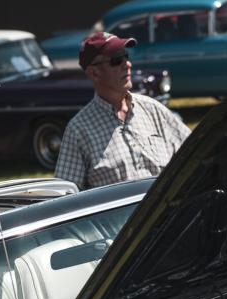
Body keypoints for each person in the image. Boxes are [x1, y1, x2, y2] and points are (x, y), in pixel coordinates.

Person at [54, 32, 191, 190]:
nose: (127, 64)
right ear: (94, 73)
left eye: (126, 57)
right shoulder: (78, 130)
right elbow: (66, 196)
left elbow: (196, 152)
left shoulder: (153, 110)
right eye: (116, 60)